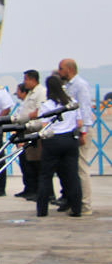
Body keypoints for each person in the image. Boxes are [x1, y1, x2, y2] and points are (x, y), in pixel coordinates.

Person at [32, 74, 82, 217]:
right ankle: (76, 208)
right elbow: (79, 123)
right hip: (70, 140)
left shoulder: (47, 105)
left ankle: (42, 210)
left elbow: (43, 125)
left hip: (53, 140)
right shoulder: (72, 102)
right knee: (72, 175)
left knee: (46, 176)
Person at [58, 59, 94, 216]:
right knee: (73, 167)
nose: (59, 72)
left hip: (81, 130)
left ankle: (85, 205)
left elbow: (85, 108)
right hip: (72, 130)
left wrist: (83, 132)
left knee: (81, 167)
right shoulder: (68, 86)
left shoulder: (80, 85)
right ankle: (76, 201)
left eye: (61, 69)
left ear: (69, 69)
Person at [14, 70, 46, 200]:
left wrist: (30, 121)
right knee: (28, 162)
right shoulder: (31, 93)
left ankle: (38, 191)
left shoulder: (40, 92)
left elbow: (40, 113)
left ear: (33, 80)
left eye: (26, 79)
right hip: (26, 130)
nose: (24, 82)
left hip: (34, 130)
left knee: (36, 163)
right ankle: (30, 189)